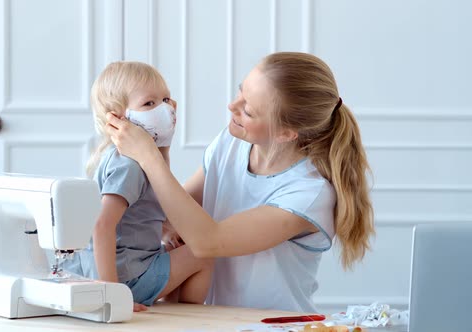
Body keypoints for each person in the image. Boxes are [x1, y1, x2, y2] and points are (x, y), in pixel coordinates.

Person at [105, 52, 375, 313]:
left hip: (272, 324)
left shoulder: (309, 192)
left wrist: (149, 156)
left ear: (285, 133)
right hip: (217, 320)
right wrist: (160, 147)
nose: (232, 107)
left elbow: (207, 242)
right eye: (240, 91)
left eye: (248, 109)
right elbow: (174, 215)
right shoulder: (231, 142)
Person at [63, 61, 213, 312]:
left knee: (179, 247)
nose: (164, 108)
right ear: (118, 116)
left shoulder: (127, 155)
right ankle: (188, 317)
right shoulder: (130, 165)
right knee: (204, 253)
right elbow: (101, 226)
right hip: (123, 276)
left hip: (125, 265)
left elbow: (159, 188)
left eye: (166, 99)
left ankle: (166, 308)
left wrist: (164, 144)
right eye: (149, 103)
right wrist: (111, 295)